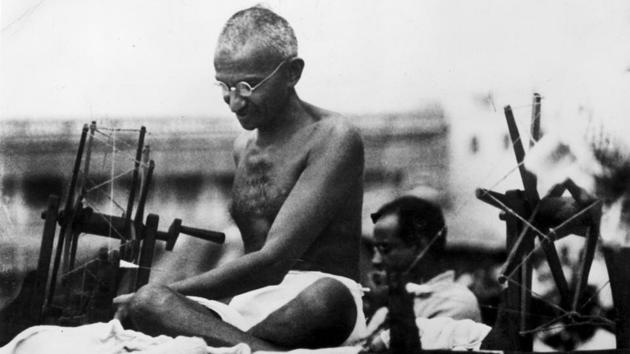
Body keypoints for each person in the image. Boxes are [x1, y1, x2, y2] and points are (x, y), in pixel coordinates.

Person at [114, 6, 366, 351]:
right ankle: (254, 348)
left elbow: (274, 261)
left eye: (248, 86)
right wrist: (160, 300)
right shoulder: (242, 148)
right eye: (225, 86)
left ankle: (234, 346)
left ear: (292, 72)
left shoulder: (334, 136)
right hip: (246, 310)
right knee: (145, 305)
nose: (234, 103)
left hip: (315, 304)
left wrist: (174, 291)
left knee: (327, 297)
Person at [364, 195, 481, 341]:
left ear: (420, 247)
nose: (375, 260)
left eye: (385, 249)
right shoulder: (392, 301)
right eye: (374, 250)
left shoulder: (454, 303)